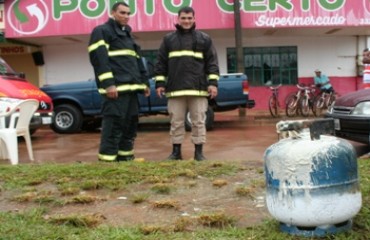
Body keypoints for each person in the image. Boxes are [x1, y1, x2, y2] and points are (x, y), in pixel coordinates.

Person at [154, 6, 219, 161]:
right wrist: (160, 83)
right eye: (183, 18)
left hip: (198, 90)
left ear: (194, 19)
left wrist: (213, 83)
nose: (186, 21)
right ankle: (176, 153)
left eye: (190, 18)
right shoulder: (168, 39)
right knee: (176, 122)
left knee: (198, 122)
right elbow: (161, 63)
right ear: (178, 19)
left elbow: (212, 63)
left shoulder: (204, 39)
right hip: (176, 90)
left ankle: (199, 153)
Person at [88, 2, 150, 162]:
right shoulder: (102, 31)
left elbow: (137, 62)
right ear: (112, 13)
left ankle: (126, 158)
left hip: (131, 91)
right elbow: (100, 60)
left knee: (129, 125)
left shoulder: (127, 34)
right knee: (114, 126)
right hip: (115, 91)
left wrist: (144, 83)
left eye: (128, 13)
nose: (126, 16)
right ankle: (107, 162)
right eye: (122, 13)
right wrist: (109, 84)